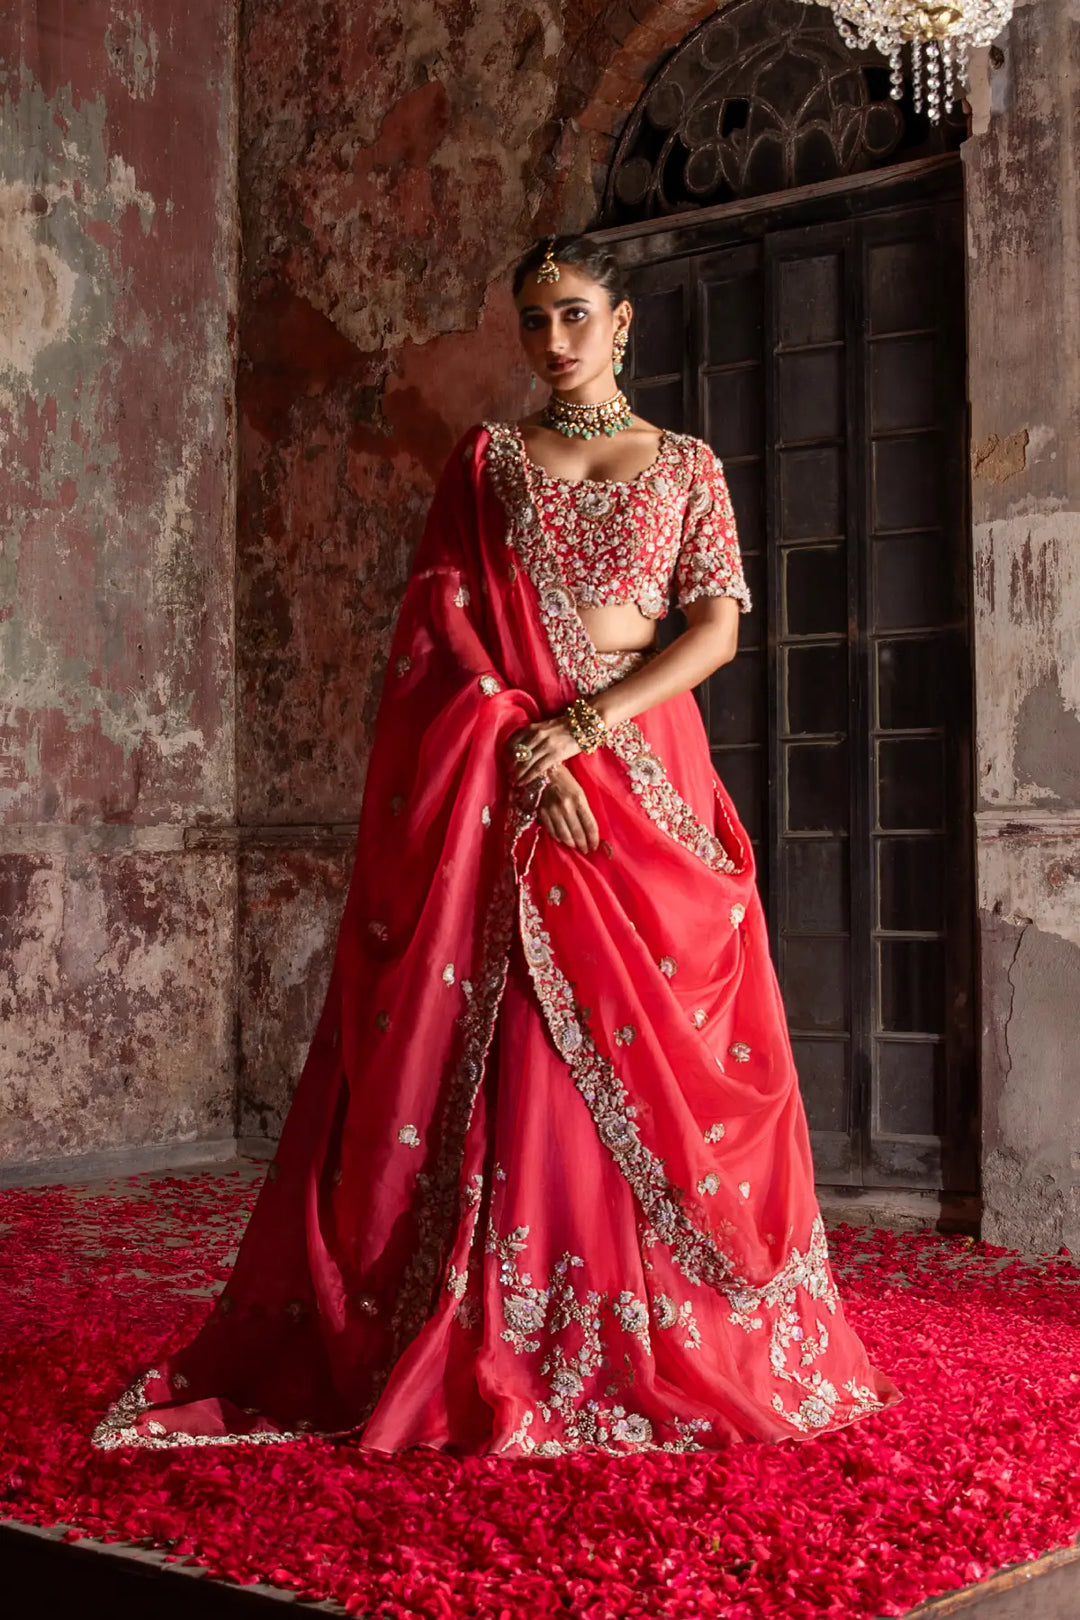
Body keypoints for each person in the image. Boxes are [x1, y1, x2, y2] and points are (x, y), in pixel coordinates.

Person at [94, 235, 899, 1456]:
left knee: (667, 1038)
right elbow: (442, 629)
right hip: (516, 779)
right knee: (524, 1040)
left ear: (623, 323)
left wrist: (585, 727)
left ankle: (664, 1330)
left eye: (574, 315)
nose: (553, 342)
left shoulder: (684, 463)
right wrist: (524, 751)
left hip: (640, 775)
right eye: (533, 321)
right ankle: (511, 1318)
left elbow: (719, 627)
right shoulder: (489, 463)